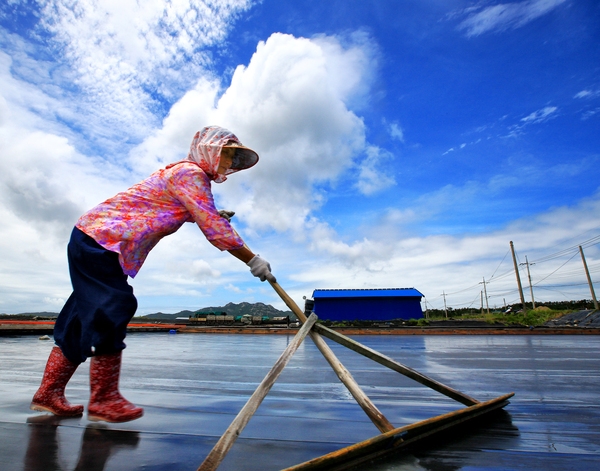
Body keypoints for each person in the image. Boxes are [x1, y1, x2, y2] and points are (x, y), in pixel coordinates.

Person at [30, 126, 275, 423]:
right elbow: (214, 228)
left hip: (94, 239)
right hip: (101, 240)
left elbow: (166, 207)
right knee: (114, 305)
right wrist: (252, 260)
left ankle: (48, 393)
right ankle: (104, 399)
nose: (229, 164)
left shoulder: (186, 177)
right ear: (209, 149)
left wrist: (199, 213)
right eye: (227, 154)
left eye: (234, 159)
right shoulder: (190, 173)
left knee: (81, 318)